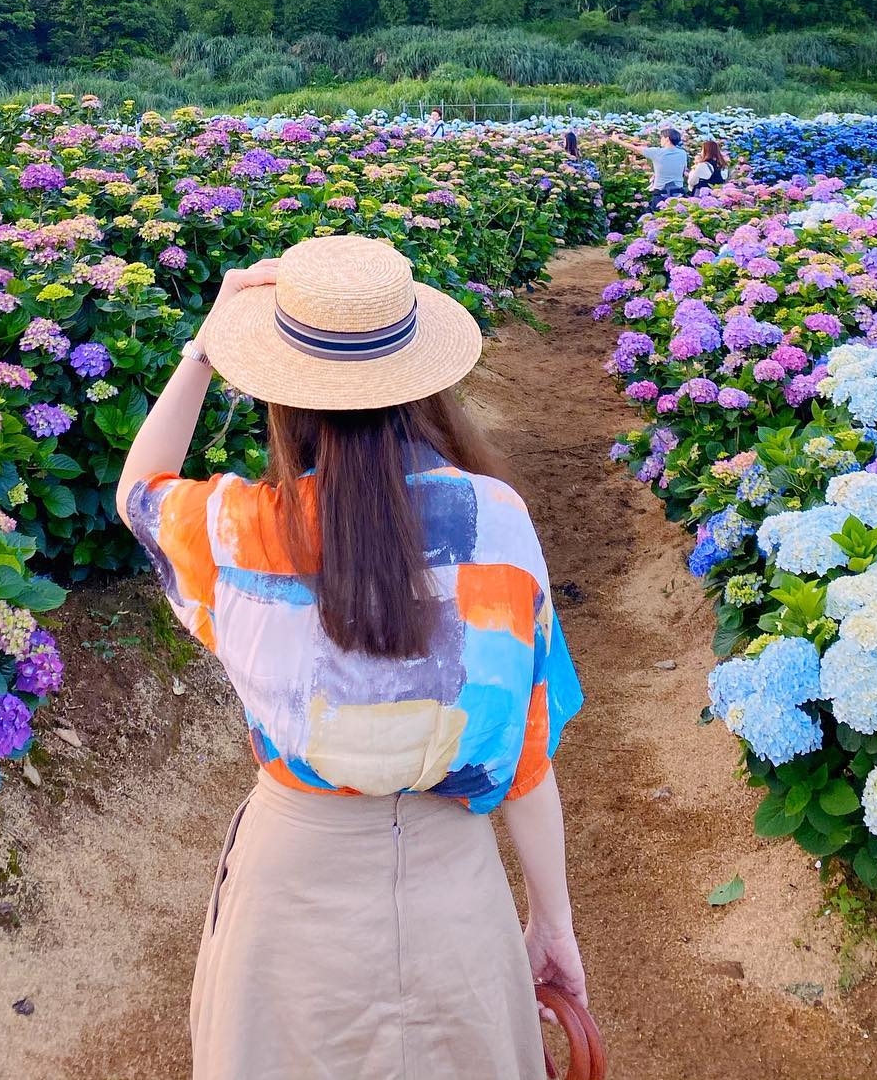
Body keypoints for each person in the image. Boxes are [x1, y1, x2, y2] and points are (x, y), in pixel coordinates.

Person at [116, 236, 586, 1080]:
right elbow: (525, 754)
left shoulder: (239, 533)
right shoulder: (500, 525)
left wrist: (201, 349)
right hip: (456, 898)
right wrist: (552, 922)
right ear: (420, 379)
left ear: (282, 393)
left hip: (288, 894)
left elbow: (137, 491)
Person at [636, 125, 687, 199]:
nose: (661, 140)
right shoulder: (683, 153)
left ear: (667, 139)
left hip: (661, 195)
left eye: (662, 137)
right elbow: (684, 170)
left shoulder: (657, 152)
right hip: (678, 194)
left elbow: (635, 149)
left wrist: (617, 141)